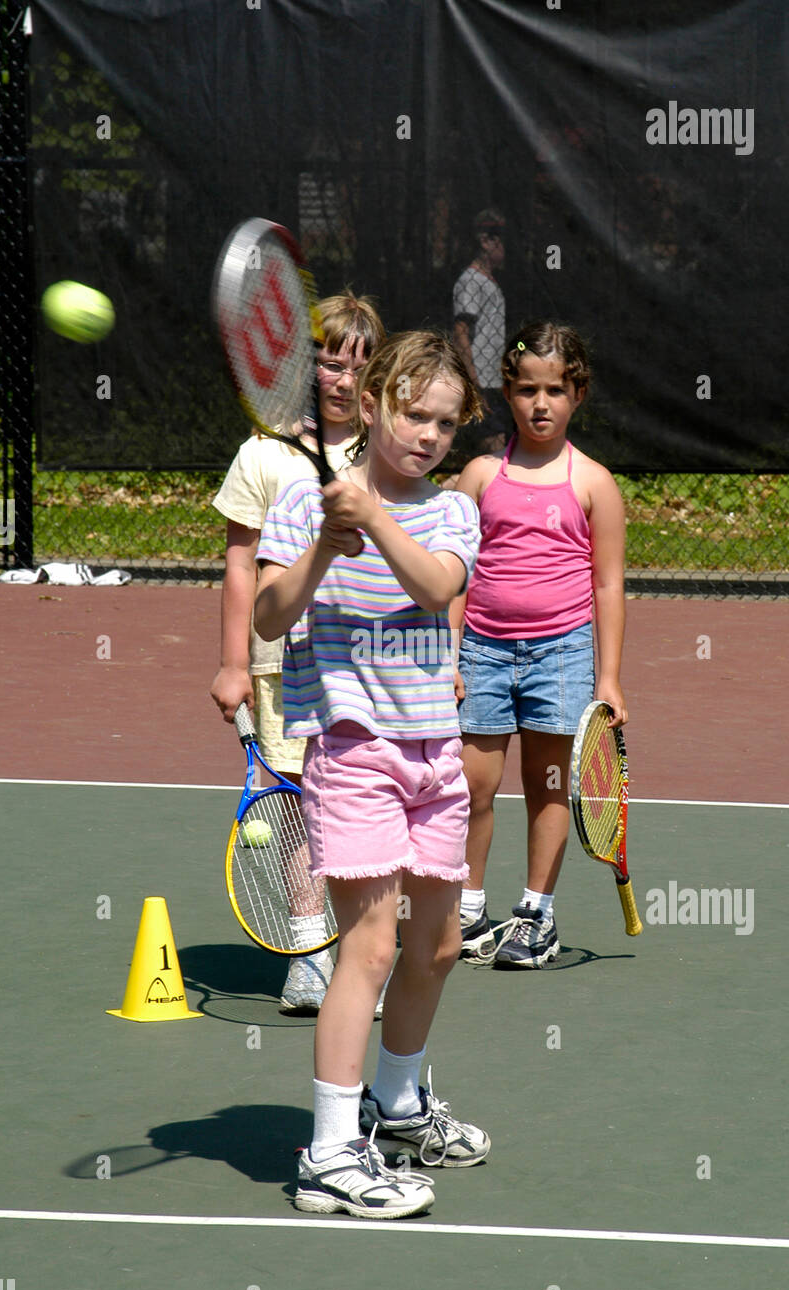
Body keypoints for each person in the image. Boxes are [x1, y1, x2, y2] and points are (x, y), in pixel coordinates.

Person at [254, 331, 489, 1218]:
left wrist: (375, 518)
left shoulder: (453, 511)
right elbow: (273, 618)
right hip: (353, 752)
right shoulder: (298, 503)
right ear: (376, 397)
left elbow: (435, 588)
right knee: (372, 948)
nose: (426, 435)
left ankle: (396, 1104)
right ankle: (328, 1155)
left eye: (444, 421)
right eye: (411, 412)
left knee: (437, 946)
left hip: (436, 752)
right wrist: (323, 541)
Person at [210, 293, 385, 1014]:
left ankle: (361, 955)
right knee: (295, 808)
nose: (339, 378)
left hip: (369, 665)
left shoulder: (388, 451)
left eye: (356, 364)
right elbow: (239, 563)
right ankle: (309, 954)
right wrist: (231, 663)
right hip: (281, 662)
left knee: (357, 804)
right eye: (325, 360)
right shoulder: (261, 453)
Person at [450, 321, 629, 968]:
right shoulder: (476, 477)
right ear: (507, 392)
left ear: (578, 393)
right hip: (484, 653)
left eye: (556, 389)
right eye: (528, 389)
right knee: (472, 784)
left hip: (563, 654)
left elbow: (608, 585)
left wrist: (608, 679)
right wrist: (449, 653)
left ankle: (536, 915)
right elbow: (452, 575)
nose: (541, 403)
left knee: (548, 785)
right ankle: (467, 911)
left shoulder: (595, 484)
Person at [452, 207, 508, 446]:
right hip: (480, 381)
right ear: (486, 242)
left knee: (502, 439)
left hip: (494, 379)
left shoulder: (491, 281)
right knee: (493, 443)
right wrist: (473, 378)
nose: (506, 249)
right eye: (502, 242)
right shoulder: (471, 281)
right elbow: (460, 331)